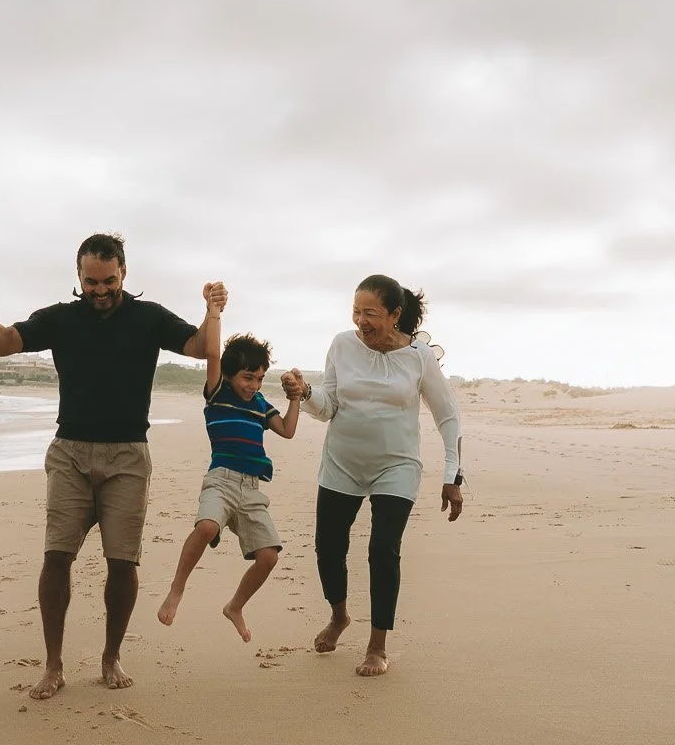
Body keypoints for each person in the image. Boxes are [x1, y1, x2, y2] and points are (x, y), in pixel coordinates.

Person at [0, 233, 225, 699]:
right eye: (91, 282)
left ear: (124, 273)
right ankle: (53, 665)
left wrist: (213, 311)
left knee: (122, 561)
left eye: (108, 280)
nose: (100, 290)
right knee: (56, 556)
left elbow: (200, 348)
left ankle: (111, 656)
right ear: (79, 277)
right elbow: (7, 342)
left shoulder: (148, 318)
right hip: (70, 452)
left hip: (128, 454)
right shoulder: (62, 318)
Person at [283, 274, 463, 678]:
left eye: (370, 313)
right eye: (355, 311)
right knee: (328, 547)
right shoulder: (342, 345)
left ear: (395, 315)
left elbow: (447, 415)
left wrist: (453, 474)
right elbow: (328, 405)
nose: (360, 321)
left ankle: (377, 644)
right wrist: (305, 392)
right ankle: (339, 616)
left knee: (383, 549)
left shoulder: (420, 357)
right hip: (342, 462)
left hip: (396, 466)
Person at [155, 295, 299, 642]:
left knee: (268, 557)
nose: (254, 386)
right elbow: (214, 354)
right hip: (220, 481)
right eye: (248, 378)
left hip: (251, 489)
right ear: (232, 375)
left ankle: (235, 606)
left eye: (260, 379)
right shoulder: (218, 392)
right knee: (205, 527)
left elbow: (287, 431)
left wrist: (295, 398)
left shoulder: (261, 404)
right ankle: (176, 590)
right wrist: (213, 313)